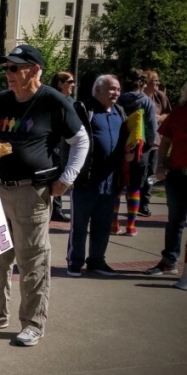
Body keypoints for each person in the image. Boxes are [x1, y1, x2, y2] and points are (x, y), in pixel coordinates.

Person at [0, 45, 88, 346]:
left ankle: (33, 322)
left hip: (32, 192)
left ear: (34, 70)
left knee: (32, 260)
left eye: (14, 68)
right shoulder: (1, 101)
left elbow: (81, 141)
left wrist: (67, 179)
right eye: (6, 68)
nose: (7, 74)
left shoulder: (53, 101)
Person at [66, 75, 128, 277]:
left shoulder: (120, 112)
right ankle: (75, 262)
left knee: (103, 225)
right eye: (111, 89)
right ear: (97, 90)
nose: (116, 93)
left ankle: (97, 261)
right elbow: (68, 141)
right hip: (86, 179)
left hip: (110, 181)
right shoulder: (84, 110)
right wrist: (69, 173)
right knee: (80, 225)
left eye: (118, 89)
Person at [148, 81, 187, 281]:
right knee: (175, 221)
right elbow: (165, 141)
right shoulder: (179, 112)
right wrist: (160, 165)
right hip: (178, 175)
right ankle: (168, 261)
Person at [112, 68, 156, 237]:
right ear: (143, 84)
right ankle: (131, 225)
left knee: (116, 188)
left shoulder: (118, 100)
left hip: (118, 149)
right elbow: (152, 130)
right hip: (138, 151)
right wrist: (144, 149)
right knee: (134, 188)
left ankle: (114, 223)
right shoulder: (146, 102)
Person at [139, 70, 172, 216]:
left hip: (156, 142)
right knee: (139, 173)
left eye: (158, 80)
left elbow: (169, 114)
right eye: (155, 80)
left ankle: (144, 203)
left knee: (151, 174)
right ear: (146, 82)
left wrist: (159, 118)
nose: (158, 83)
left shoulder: (160, 97)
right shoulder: (138, 96)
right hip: (140, 142)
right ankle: (134, 202)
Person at [48, 71, 76, 222]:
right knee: (55, 175)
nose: (73, 84)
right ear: (60, 83)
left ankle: (56, 209)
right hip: (54, 145)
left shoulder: (71, 101)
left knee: (62, 175)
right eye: (69, 81)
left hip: (67, 144)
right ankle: (55, 210)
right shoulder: (52, 100)